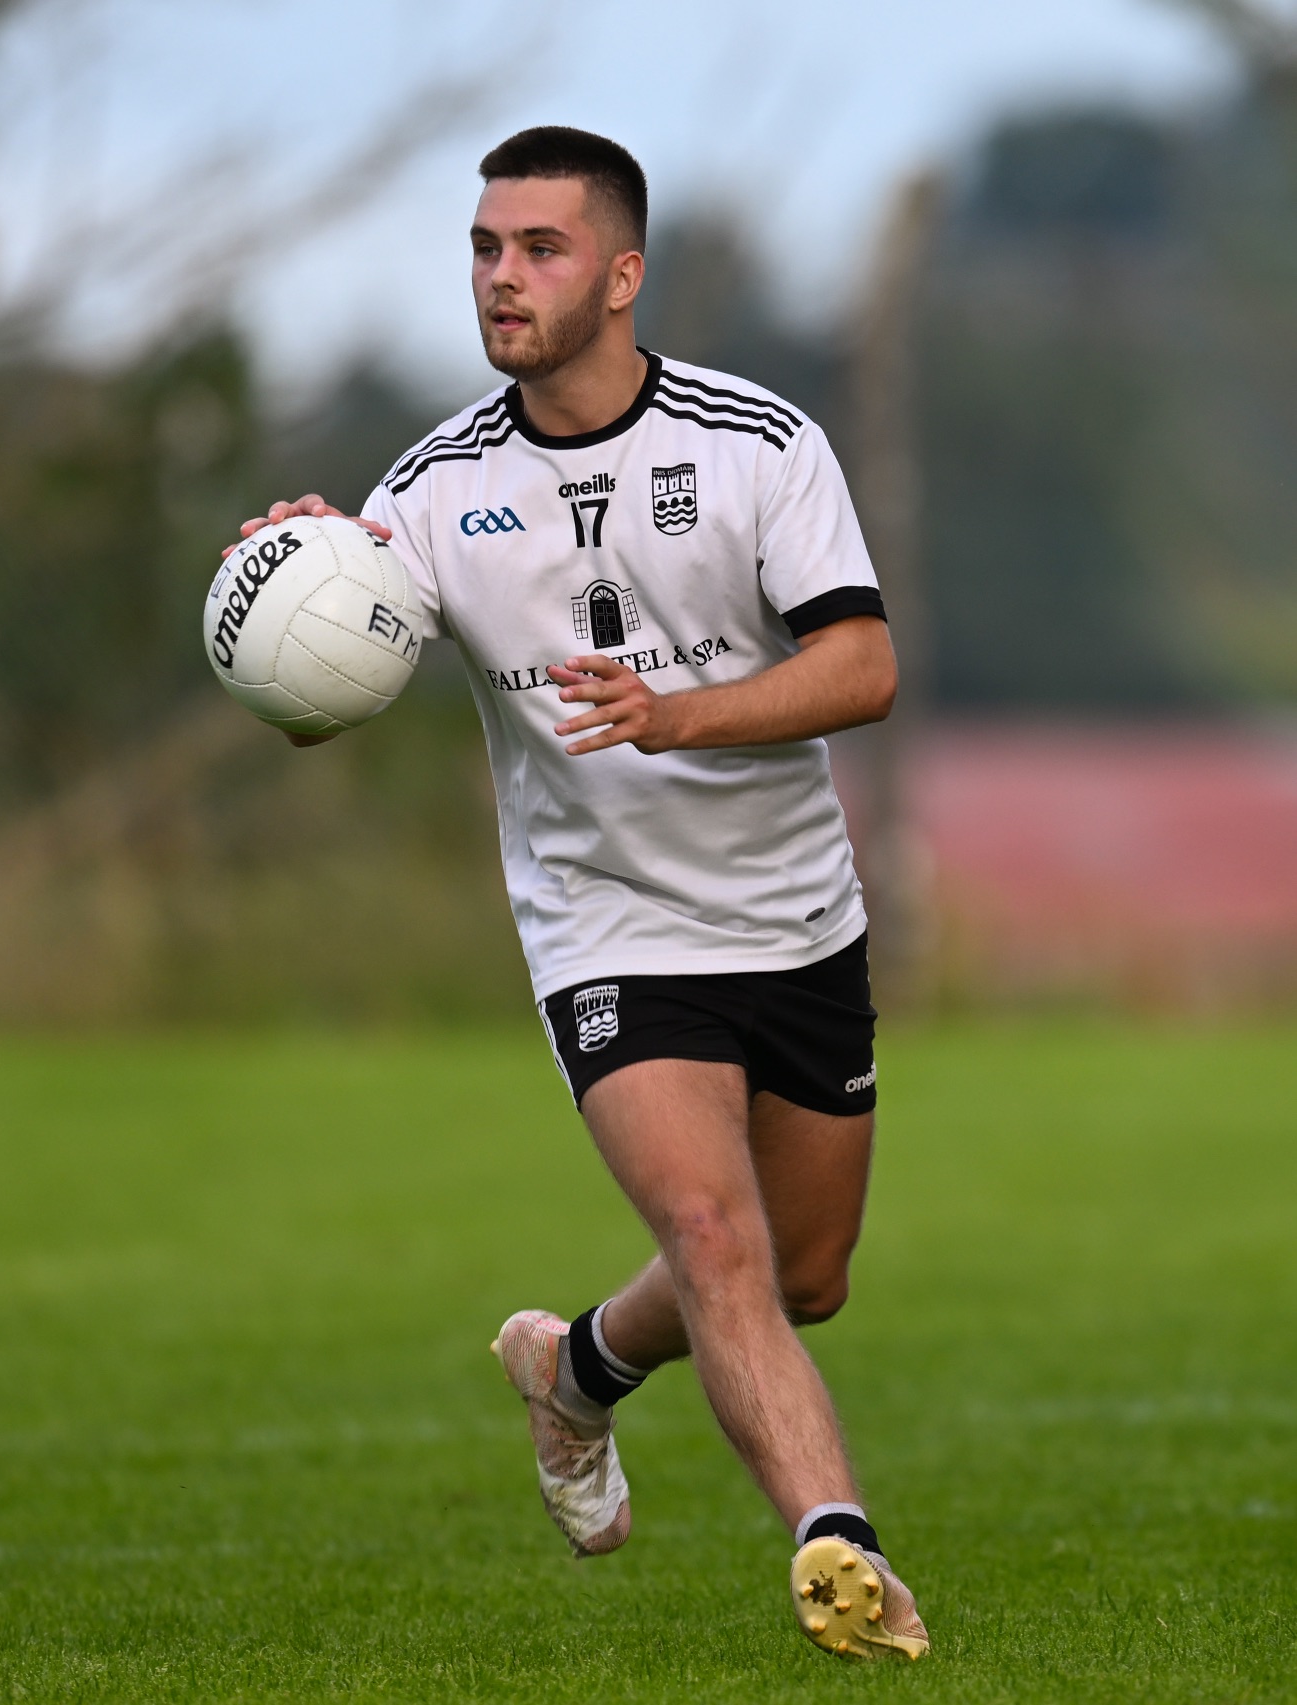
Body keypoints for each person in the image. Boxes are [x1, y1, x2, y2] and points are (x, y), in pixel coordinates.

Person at [232, 125, 929, 1664]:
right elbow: (322, 680)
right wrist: (280, 602)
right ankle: (837, 1545)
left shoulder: (757, 443)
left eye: (537, 249)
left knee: (802, 1273)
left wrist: (681, 711)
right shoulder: (431, 491)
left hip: (793, 912)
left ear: (619, 274)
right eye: (483, 248)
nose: (500, 277)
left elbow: (862, 667)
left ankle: (575, 1373)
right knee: (712, 1226)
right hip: (603, 921)